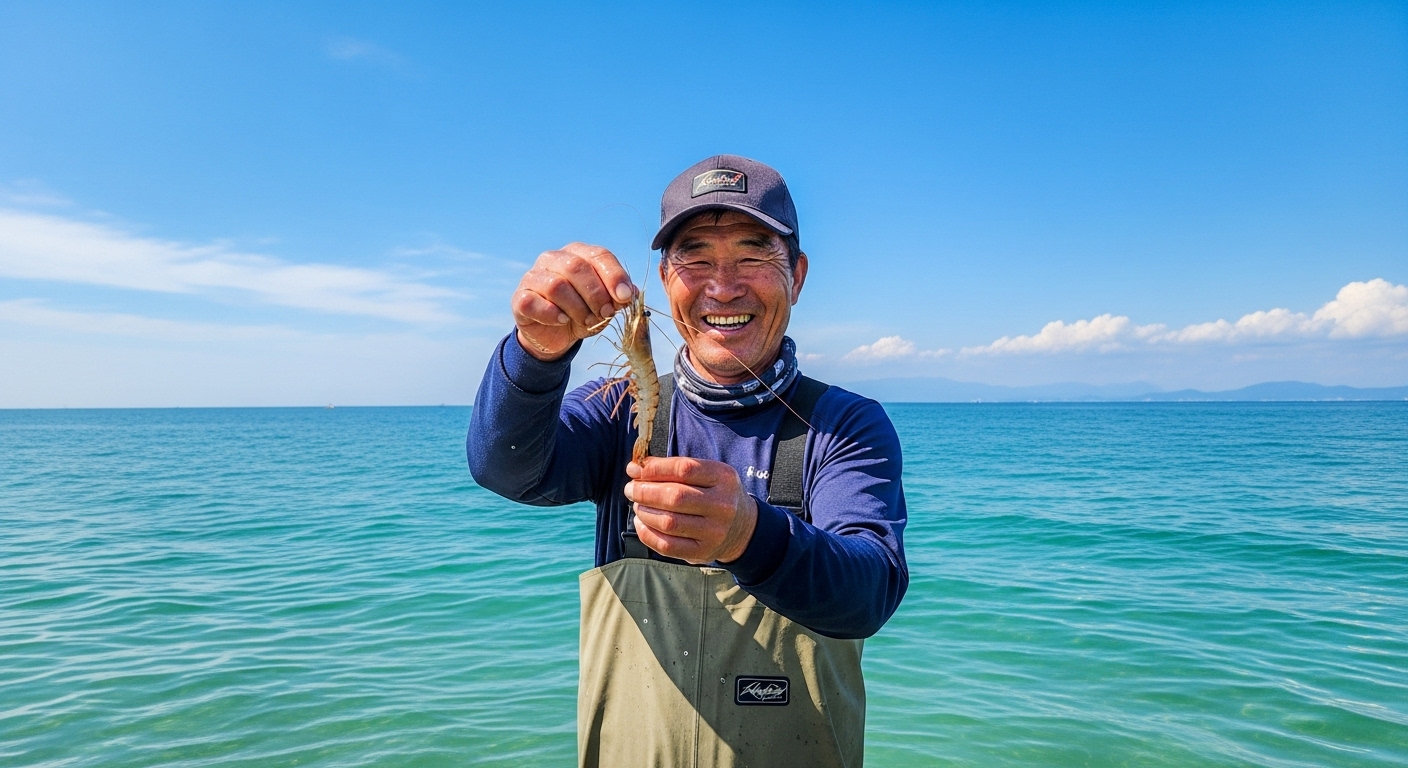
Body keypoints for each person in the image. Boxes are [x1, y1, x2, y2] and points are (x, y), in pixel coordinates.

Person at [467, 155, 908, 768]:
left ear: (798, 277)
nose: (722, 287)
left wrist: (749, 533)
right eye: (695, 258)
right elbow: (505, 467)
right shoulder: (613, 409)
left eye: (753, 255)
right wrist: (536, 351)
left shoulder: (846, 426)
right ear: (667, 279)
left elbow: (869, 590)